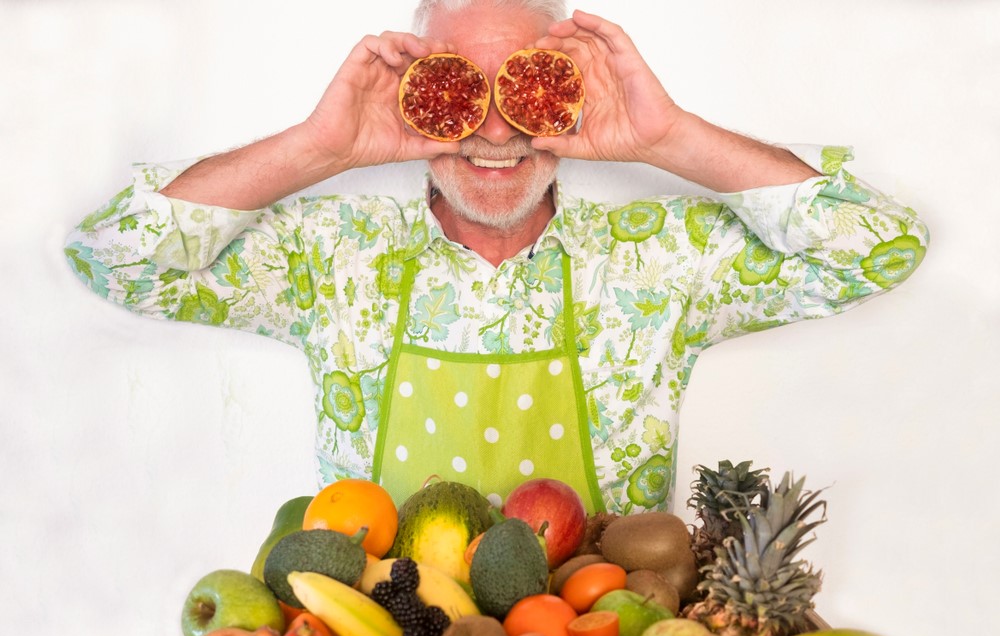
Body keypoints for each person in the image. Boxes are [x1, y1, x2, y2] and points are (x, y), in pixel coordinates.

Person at [64, 0, 928, 515]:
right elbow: (114, 260)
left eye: (526, 87)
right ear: (409, 96)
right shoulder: (331, 258)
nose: (494, 128)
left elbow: (881, 246)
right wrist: (316, 149)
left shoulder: (661, 262)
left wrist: (669, 138)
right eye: (454, 90)